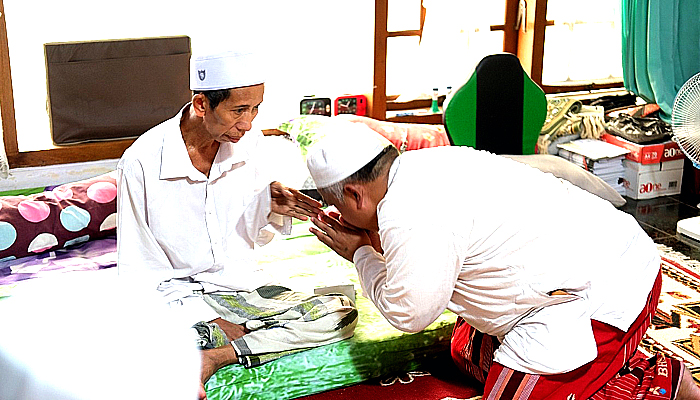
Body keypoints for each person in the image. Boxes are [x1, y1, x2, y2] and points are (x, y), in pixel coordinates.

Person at [305, 120, 700, 400]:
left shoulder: (409, 212)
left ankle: (659, 384)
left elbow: (409, 314)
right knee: (465, 349)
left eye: (339, 205)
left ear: (356, 195)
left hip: (607, 289)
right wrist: (368, 243)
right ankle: (612, 367)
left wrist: (358, 253)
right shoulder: (426, 164)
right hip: (600, 256)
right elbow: (423, 252)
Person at [116, 49, 357, 398]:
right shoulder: (141, 162)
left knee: (340, 314)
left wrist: (270, 201)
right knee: (133, 339)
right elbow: (138, 268)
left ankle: (217, 356)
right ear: (202, 104)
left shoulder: (250, 144)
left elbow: (252, 235)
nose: (248, 123)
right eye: (239, 110)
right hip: (174, 296)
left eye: (256, 108)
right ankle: (238, 337)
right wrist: (208, 318)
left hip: (241, 289)